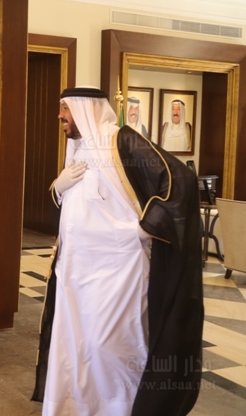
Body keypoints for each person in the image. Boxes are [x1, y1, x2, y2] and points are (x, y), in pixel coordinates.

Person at [32, 87, 203, 415]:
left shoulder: (121, 140)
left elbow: (180, 180)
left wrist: (143, 228)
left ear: (86, 108)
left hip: (118, 273)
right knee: (75, 346)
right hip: (74, 271)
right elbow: (77, 209)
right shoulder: (80, 147)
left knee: (110, 347)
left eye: (66, 108)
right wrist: (58, 187)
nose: (60, 115)